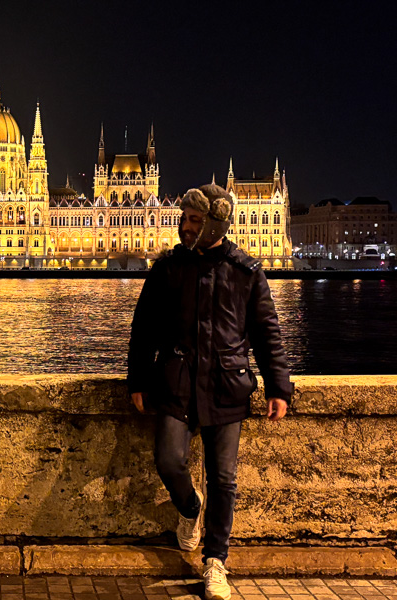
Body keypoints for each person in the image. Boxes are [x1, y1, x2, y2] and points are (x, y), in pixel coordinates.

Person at [128, 183, 292, 600]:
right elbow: (144, 329)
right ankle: (189, 508)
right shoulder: (167, 268)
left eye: (194, 221)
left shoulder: (246, 271)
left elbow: (267, 333)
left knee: (223, 479)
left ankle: (215, 561)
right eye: (184, 218)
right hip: (177, 381)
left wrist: (279, 386)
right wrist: (138, 380)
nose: (185, 227)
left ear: (215, 224)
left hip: (226, 384)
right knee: (168, 461)